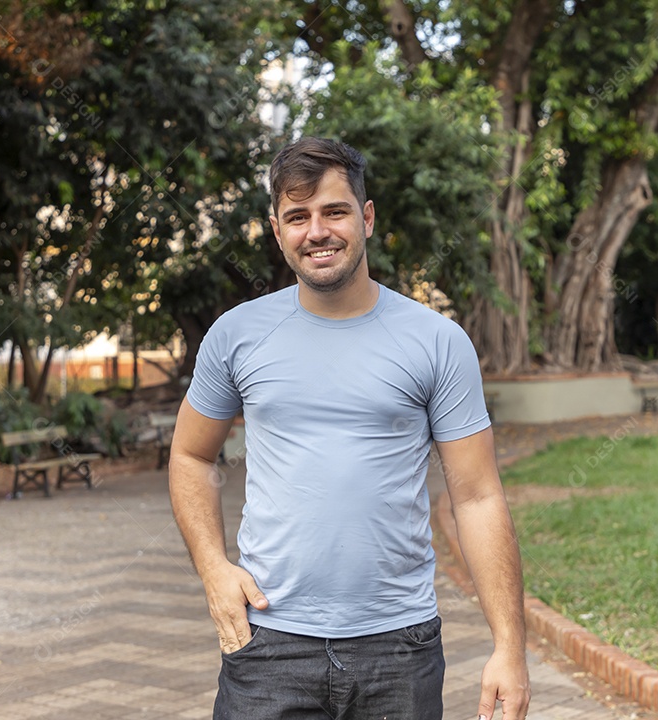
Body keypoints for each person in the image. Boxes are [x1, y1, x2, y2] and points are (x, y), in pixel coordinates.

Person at [169, 136, 530, 720]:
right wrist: (214, 570)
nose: (317, 231)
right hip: (267, 643)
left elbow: (478, 495)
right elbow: (190, 456)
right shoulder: (236, 336)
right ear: (276, 228)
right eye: (297, 216)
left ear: (365, 217)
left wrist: (509, 649)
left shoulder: (436, 342)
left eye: (334, 211)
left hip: (399, 647)